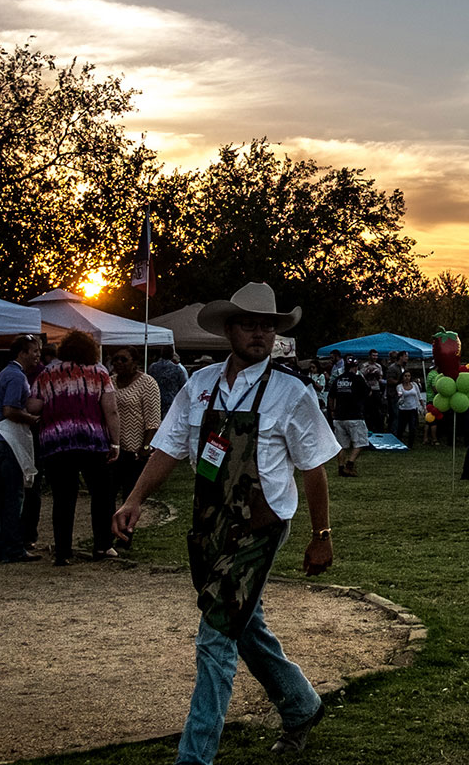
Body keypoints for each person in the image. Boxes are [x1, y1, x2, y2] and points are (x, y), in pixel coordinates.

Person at [111, 282, 337, 760]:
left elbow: (314, 469)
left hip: (263, 525)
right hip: (210, 523)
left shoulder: (292, 393)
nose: (260, 334)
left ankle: (195, 757)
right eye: (250, 324)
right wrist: (133, 499)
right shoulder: (200, 385)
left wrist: (322, 536)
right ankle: (301, 705)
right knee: (242, 624)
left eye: (268, 326)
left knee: (216, 637)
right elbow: (168, 447)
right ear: (229, 329)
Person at [28, 332, 121, 566]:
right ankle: (102, 545)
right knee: (101, 494)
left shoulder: (47, 373)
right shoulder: (99, 373)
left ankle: (62, 551)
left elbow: (34, 406)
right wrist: (115, 442)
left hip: (57, 442)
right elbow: (110, 410)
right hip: (92, 440)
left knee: (63, 498)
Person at [0, 336, 41, 564]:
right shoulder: (17, 376)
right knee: (13, 495)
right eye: (34, 351)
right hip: (7, 438)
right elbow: (9, 410)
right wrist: (32, 418)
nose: (37, 355)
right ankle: (14, 548)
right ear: (22, 353)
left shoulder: (5, 374)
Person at [107, 346, 161, 544]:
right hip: (113, 447)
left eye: (123, 359)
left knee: (130, 494)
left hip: (135, 449)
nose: (118, 364)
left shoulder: (147, 383)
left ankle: (126, 534)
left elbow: (153, 420)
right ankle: (107, 534)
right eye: (115, 360)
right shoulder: (110, 382)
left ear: (135, 362)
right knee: (108, 493)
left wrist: (146, 447)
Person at [327, 360, 369, 477]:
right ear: (355, 367)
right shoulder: (358, 379)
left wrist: (332, 411)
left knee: (341, 445)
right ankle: (349, 465)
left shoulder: (338, 379)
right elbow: (367, 393)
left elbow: (331, 396)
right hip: (354, 416)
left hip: (339, 416)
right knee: (361, 442)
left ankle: (341, 468)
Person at [148, 345, 189, 410]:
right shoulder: (177, 369)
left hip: (155, 401)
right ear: (172, 355)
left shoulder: (152, 367)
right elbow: (183, 387)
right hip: (171, 403)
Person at [394, 369, 424, 443]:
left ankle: (410, 443)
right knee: (401, 427)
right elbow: (400, 396)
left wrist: (423, 406)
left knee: (412, 427)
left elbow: (419, 396)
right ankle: (399, 441)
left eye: (409, 376)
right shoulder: (399, 386)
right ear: (402, 377)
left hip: (413, 409)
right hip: (403, 409)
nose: (407, 378)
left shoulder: (414, 385)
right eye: (405, 376)